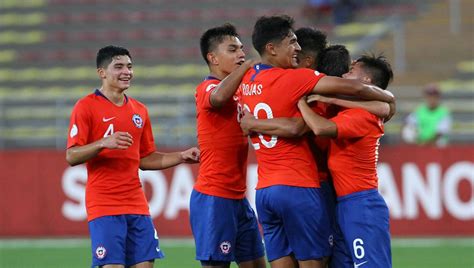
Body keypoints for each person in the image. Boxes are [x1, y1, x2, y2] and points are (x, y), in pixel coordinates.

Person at [238, 15, 394, 268]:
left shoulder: (249, 81)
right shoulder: (301, 85)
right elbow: (305, 125)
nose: (295, 49)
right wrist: (389, 99)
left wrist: (251, 121)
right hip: (307, 187)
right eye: (292, 43)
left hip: (265, 189)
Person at [66, 45, 200, 268]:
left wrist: (181, 156)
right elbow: (71, 155)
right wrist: (102, 143)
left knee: (145, 264)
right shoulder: (86, 107)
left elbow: (145, 159)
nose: (126, 71)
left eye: (129, 66)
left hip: (137, 204)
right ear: (102, 72)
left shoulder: (139, 110)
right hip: (104, 204)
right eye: (118, 66)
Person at [297, 54, 394, 268]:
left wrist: (300, 103)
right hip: (345, 204)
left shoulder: (361, 116)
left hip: (361, 205)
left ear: (366, 81)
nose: (343, 75)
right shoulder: (357, 109)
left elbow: (321, 128)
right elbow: (386, 106)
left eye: (351, 72)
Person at [190, 24, 266, 268]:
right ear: (212, 58)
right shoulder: (207, 88)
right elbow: (218, 97)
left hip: (238, 197)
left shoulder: (240, 93)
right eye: (232, 50)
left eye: (242, 50)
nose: (241, 54)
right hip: (214, 196)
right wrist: (245, 68)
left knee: (256, 263)